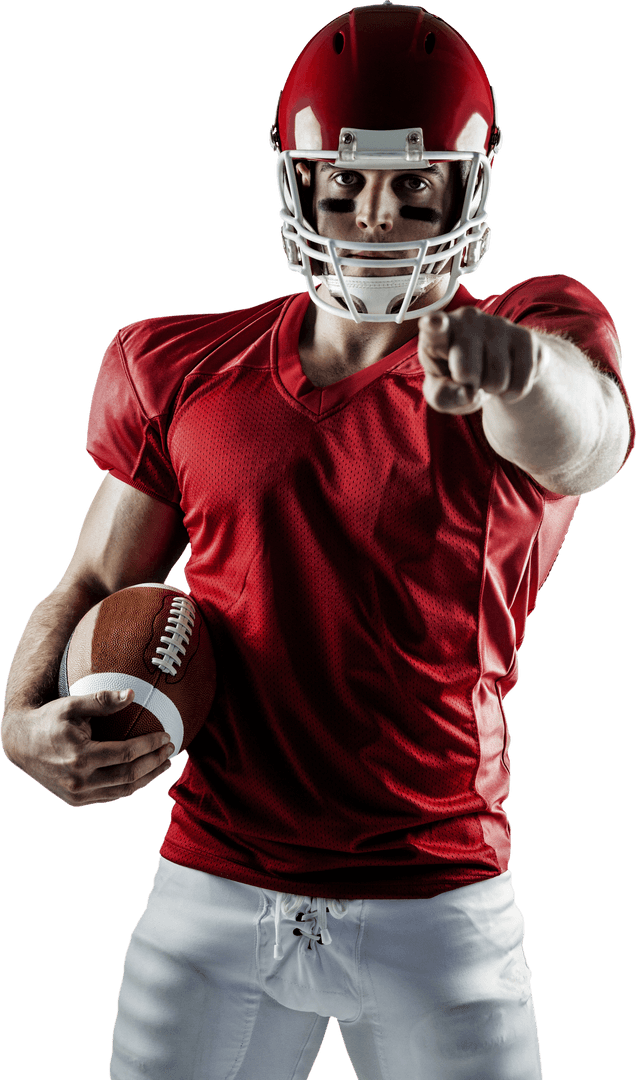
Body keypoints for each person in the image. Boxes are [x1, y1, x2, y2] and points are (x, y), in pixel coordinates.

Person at [2, 4, 633, 1079]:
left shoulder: (536, 333)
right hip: (209, 892)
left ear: (467, 184)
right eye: (345, 185)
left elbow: (592, 444)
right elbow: (102, 578)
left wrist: (510, 370)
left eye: (412, 184)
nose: (377, 219)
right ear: (296, 180)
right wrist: (21, 720)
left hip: (440, 899)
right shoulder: (180, 364)